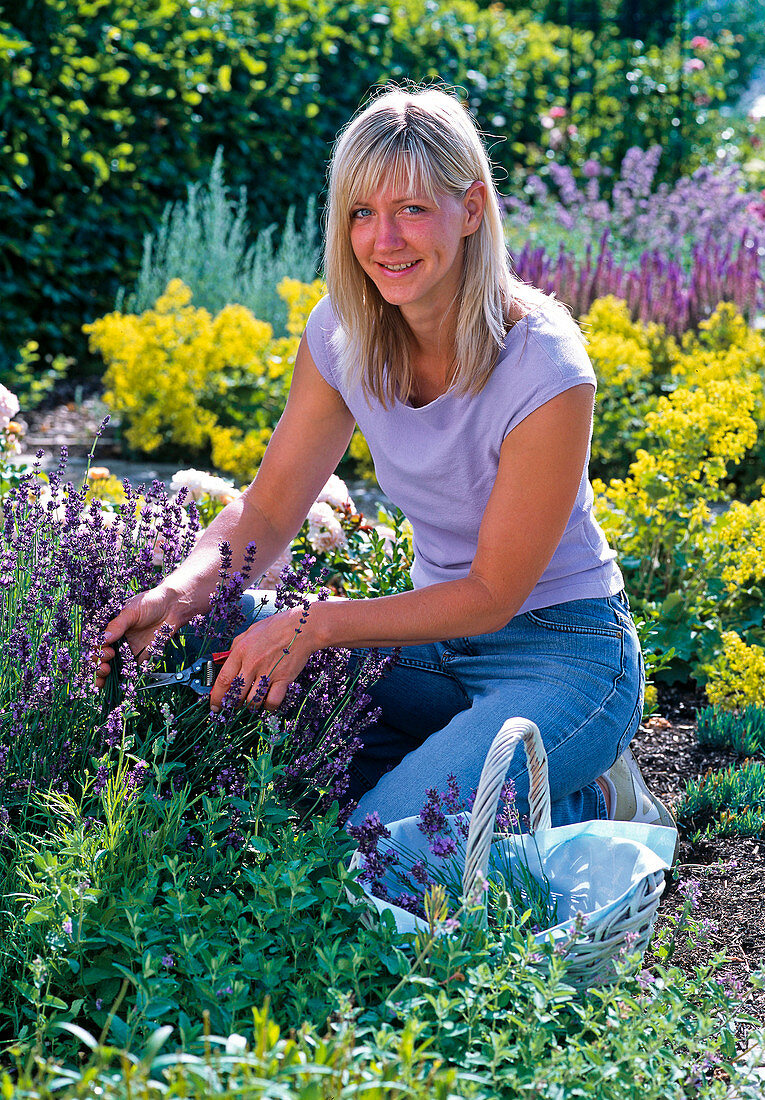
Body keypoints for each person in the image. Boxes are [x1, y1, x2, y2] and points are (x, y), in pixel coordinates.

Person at [97, 84, 674, 839]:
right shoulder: (344, 331)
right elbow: (270, 509)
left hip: (562, 657)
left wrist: (317, 623)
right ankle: (457, 776)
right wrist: (179, 591)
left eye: (411, 210)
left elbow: (494, 595)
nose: (384, 240)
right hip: (428, 651)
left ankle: (596, 797)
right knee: (203, 635)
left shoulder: (546, 364)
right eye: (363, 213)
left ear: (471, 210)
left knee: (379, 849)